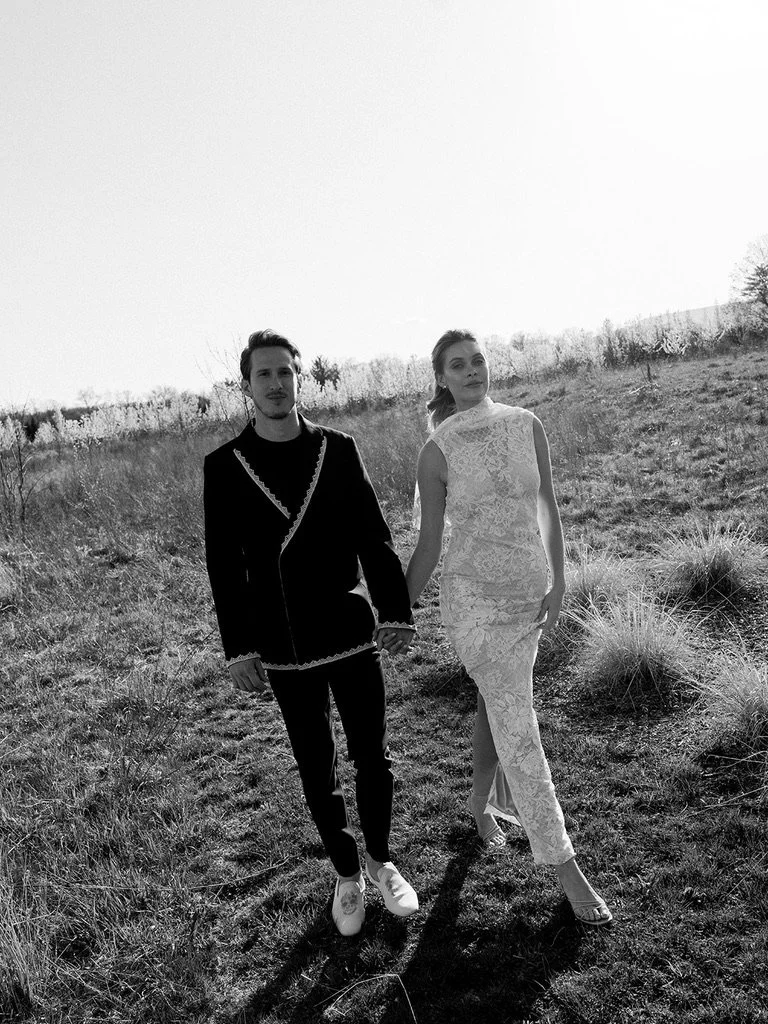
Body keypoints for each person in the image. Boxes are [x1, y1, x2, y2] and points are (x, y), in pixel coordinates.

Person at [203, 329, 419, 937]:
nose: (275, 384)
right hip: (283, 641)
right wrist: (238, 647)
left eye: (285, 373)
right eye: (263, 375)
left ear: (300, 379)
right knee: (314, 765)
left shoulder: (339, 448)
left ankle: (381, 859)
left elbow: (372, 537)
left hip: (348, 629)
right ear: (246, 387)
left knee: (372, 753)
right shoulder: (223, 466)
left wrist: (395, 611)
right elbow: (225, 564)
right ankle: (346, 873)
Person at [405, 329, 612, 926]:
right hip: (474, 605)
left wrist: (560, 579)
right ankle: (565, 868)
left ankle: (478, 801)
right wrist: (395, 613)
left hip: (528, 595)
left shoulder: (527, 424)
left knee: (499, 704)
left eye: (478, 361)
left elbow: (547, 503)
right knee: (520, 728)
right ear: (441, 377)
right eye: (457, 365)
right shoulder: (436, 452)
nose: (472, 371)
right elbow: (428, 547)